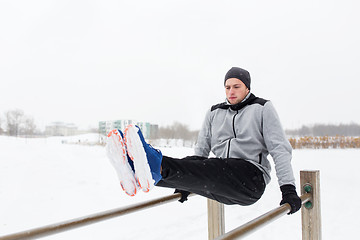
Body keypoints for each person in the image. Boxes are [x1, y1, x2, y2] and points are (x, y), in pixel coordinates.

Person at [106, 67, 302, 214]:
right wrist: (186, 182)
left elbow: (279, 149)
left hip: (250, 179)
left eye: (236, 87)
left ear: (247, 88)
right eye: (227, 87)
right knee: (196, 164)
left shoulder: (262, 108)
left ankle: (154, 162)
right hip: (220, 182)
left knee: (211, 167)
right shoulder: (214, 112)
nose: (231, 91)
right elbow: (201, 151)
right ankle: (137, 172)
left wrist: (288, 189)